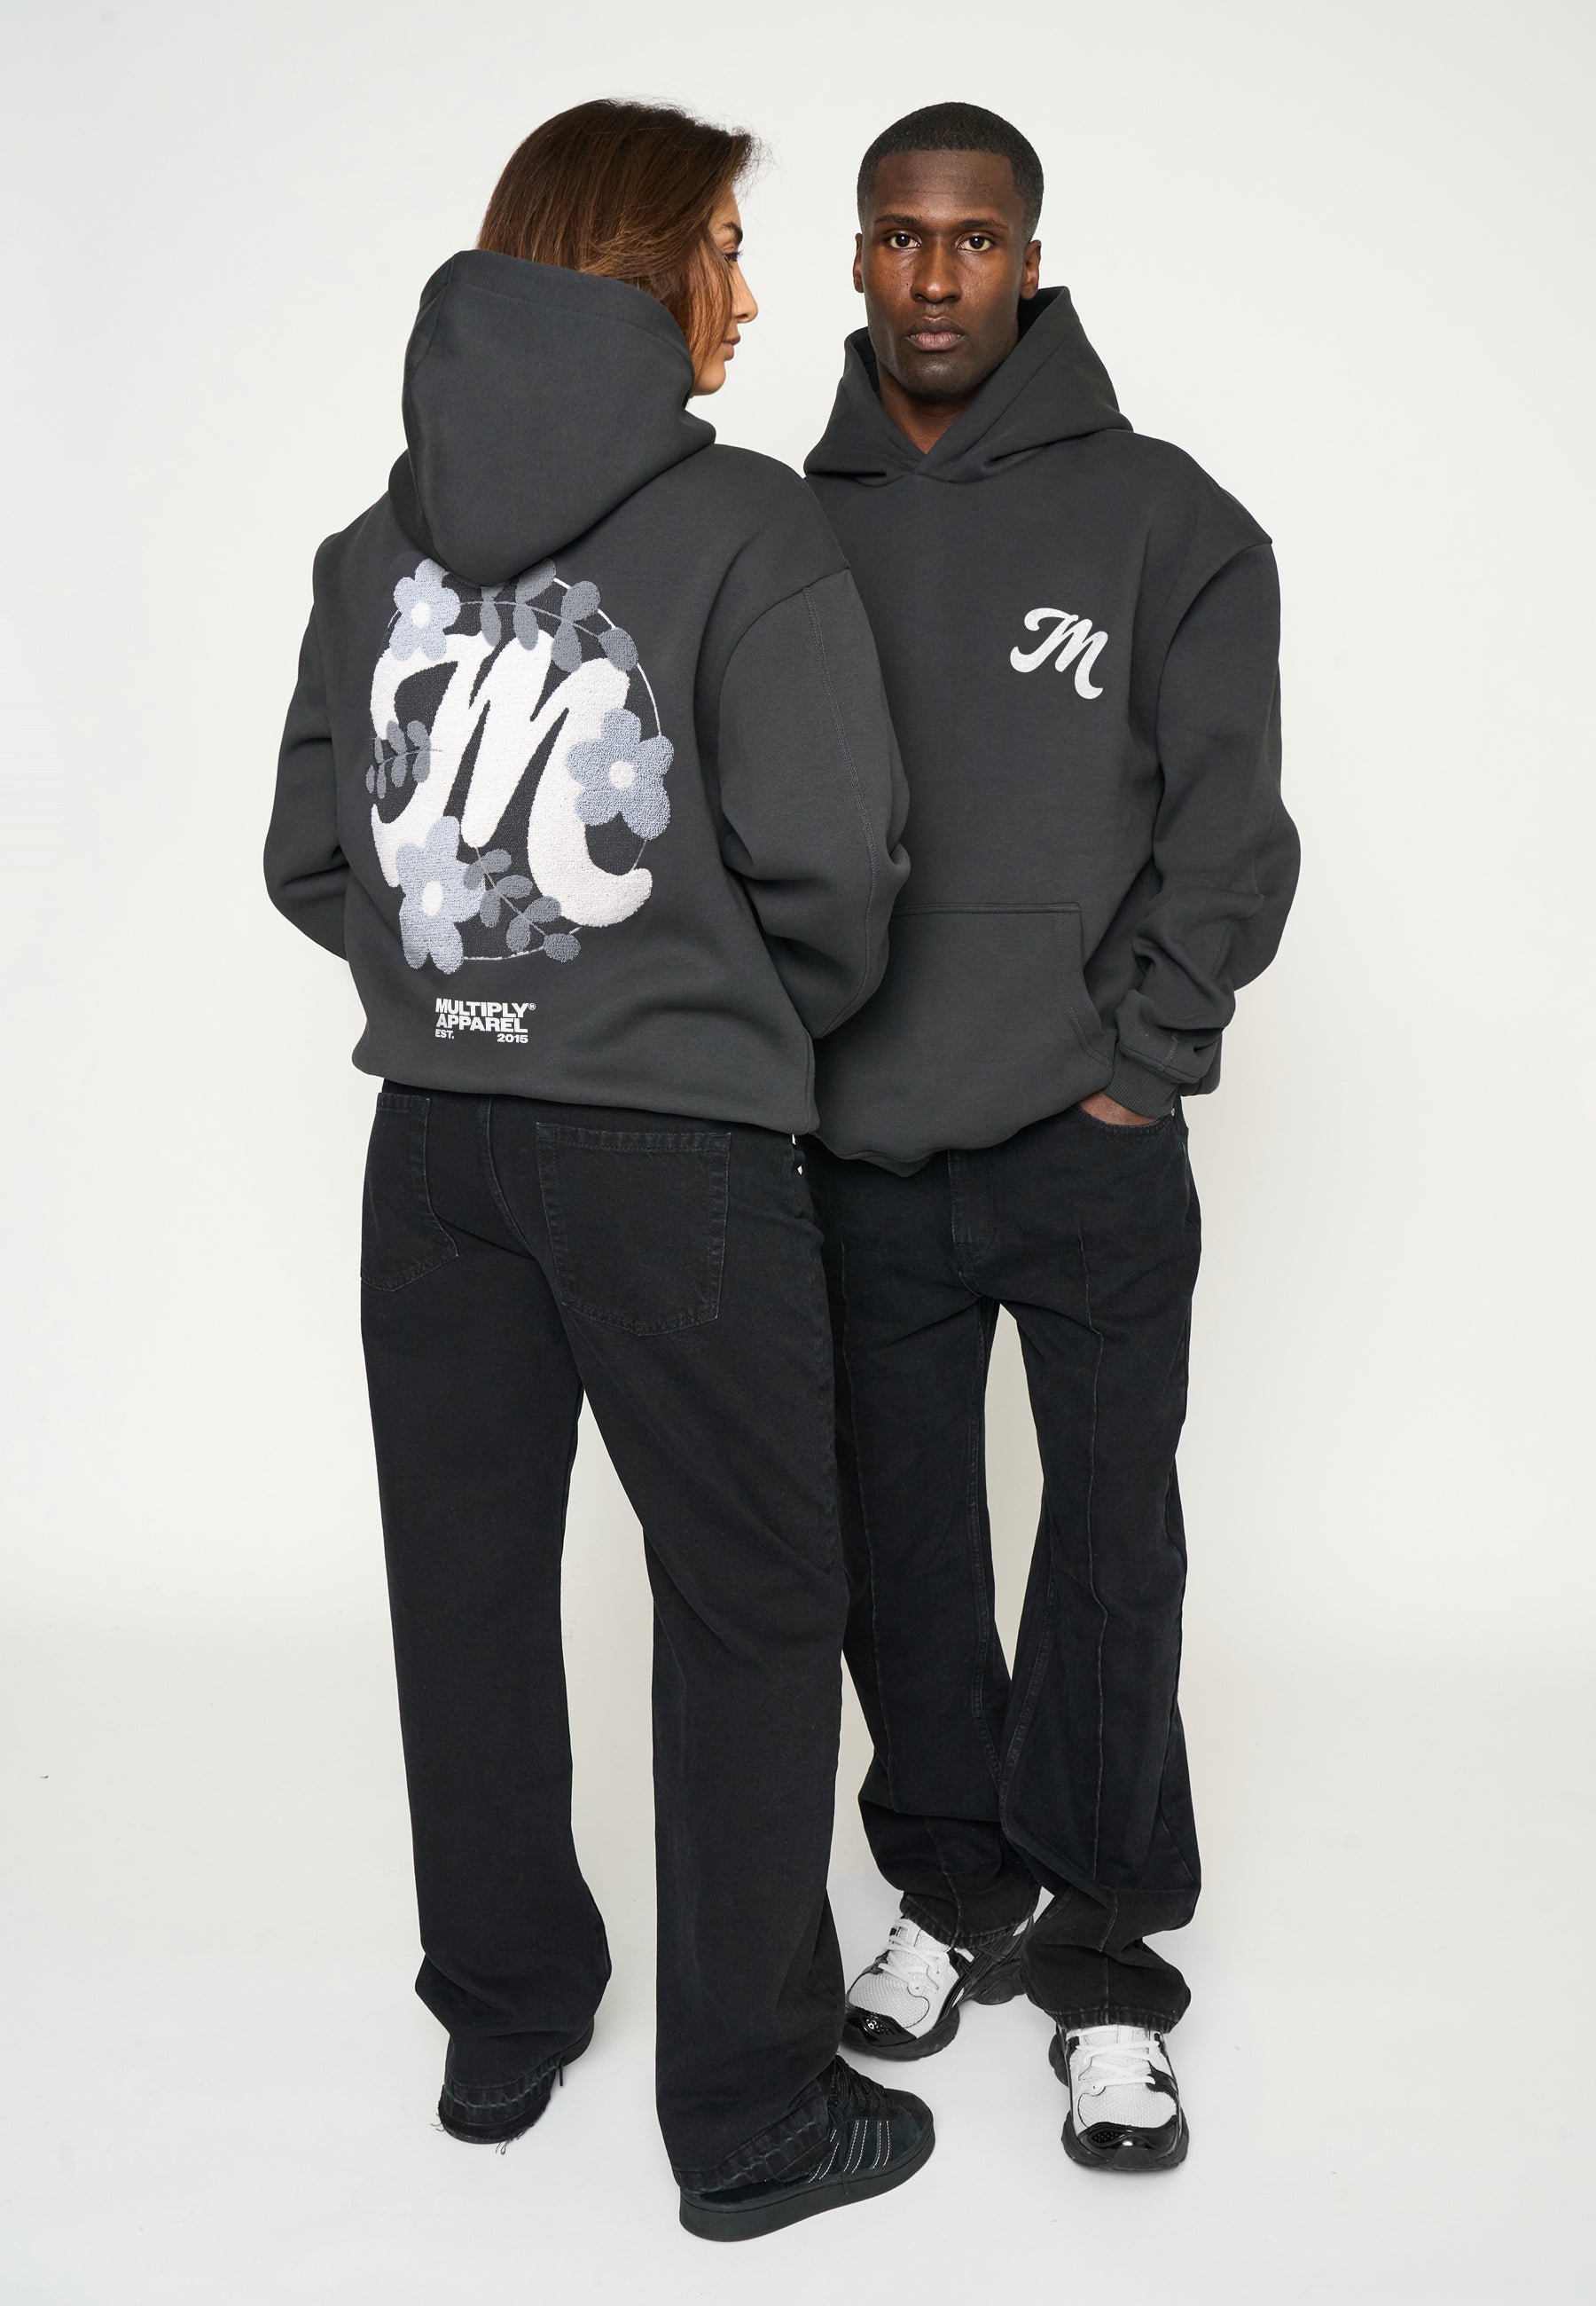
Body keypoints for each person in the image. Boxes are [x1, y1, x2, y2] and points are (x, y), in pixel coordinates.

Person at [264, 98, 930, 2241]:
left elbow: (312, 855)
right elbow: (837, 873)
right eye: (725, 245)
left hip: (431, 1149)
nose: (751, 292)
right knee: (756, 1600)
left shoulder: (368, 547)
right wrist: (702, 1016)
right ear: (644, 261)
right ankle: (748, 2116)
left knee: (464, 1583)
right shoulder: (748, 528)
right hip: (675, 1156)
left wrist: (470, 995)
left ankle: (503, 2017)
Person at [803, 102, 1299, 2173]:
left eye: (975, 238)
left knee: (1109, 1551)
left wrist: (1146, 1055)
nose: (936, 276)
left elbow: (1231, 824)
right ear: (856, 257)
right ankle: (950, 1883)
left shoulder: (1167, 517)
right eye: (900, 236)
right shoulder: (775, 527)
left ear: (1029, 255)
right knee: (896, 1547)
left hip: (1086, 1149)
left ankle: (1103, 1964)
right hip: (855, 1148)